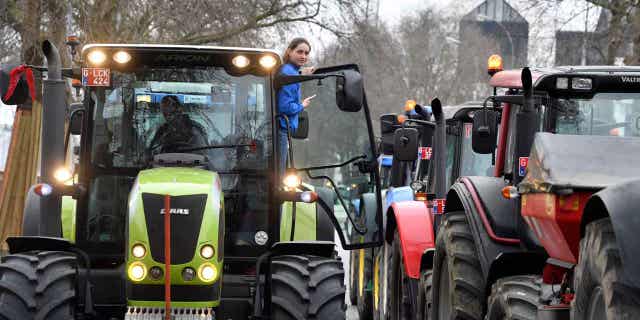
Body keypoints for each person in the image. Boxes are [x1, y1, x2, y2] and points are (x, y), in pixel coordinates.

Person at [277, 37, 316, 174]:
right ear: (289, 52)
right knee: (279, 177)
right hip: (281, 130)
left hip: (282, 131)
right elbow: (284, 107)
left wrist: (301, 73)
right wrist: (301, 105)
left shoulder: (288, 71)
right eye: (299, 52)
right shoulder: (289, 74)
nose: (303, 56)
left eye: (306, 53)